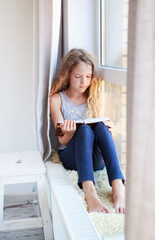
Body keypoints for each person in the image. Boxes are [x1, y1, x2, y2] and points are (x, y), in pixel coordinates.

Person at [50, 49, 125, 214]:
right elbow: (61, 141)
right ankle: (89, 192)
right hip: (71, 156)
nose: (83, 82)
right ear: (68, 75)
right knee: (83, 129)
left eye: (88, 76)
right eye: (78, 77)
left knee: (101, 127)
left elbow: (103, 136)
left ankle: (118, 186)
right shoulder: (57, 99)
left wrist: (111, 128)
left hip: (95, 159)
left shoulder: (94, 96)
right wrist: (69, 133)